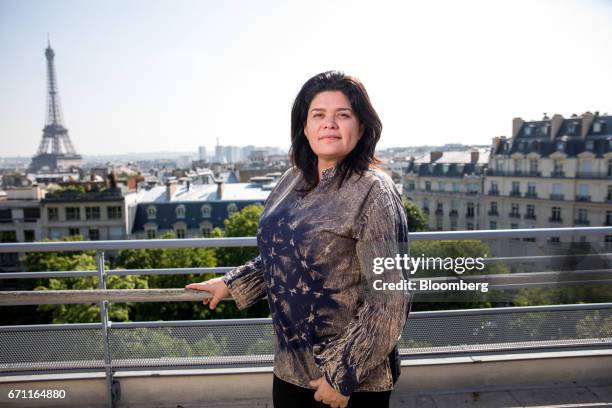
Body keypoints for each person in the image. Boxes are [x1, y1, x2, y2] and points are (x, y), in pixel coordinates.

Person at [186, 71, 411, 408]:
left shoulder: (373, 192)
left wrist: (343, 374)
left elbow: (390, 299)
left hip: (350, 383)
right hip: (291, 368)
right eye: (318, 115)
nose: (329, 124)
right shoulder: (290, 181)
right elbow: (284, 253)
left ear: (362, 127)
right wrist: (233, 284)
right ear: (305, 128)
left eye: (343, 115)